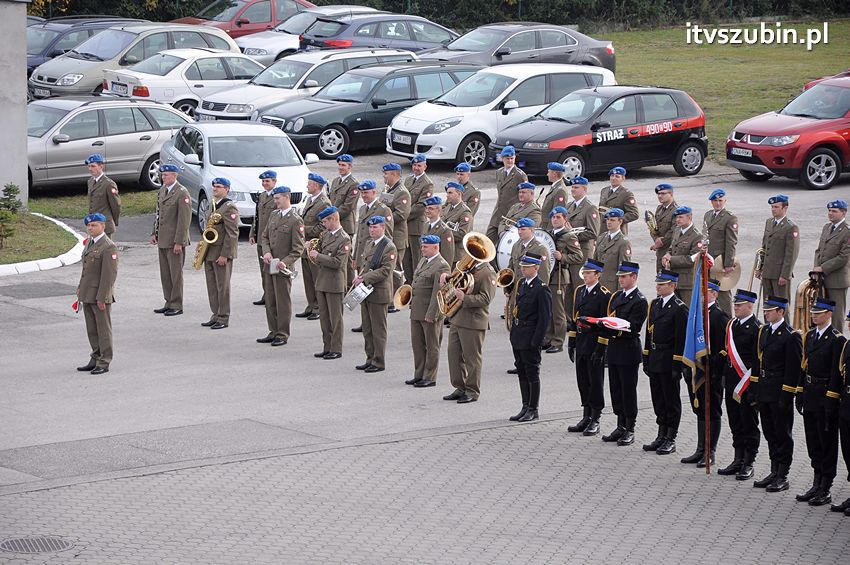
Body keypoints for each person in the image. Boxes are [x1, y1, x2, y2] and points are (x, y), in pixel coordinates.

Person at [749, 296, 801, 493]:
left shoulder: (791, 335)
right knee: (770, 432)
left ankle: (783, 474)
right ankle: (773, 469)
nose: (766, 312)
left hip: (779, 392)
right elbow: (757, 362)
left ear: (781, 312)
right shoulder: (764, 331)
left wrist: (786, 396)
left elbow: (793, 369)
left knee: (782, 434)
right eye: (765, 310)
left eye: (770, 310)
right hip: (765, 390)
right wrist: (754, 390)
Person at [797, 298, 845, 505]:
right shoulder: (810, 336)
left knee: (827, 443)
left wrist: (831, 399)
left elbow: (837, 373)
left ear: (829, 314)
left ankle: (826, 485)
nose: (814, 315)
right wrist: (800, 391)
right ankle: (816, 481)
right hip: (810, 394)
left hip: (825, 395)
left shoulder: (837, 340)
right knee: (812, 441)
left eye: (818, 313)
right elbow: (804, 365)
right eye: (813, 313)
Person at [680, 279, 729, 468]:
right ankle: (701, 448)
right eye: (701, 291)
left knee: (712, 410)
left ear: (715, 294)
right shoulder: (696, 315)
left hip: (713, 372)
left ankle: (711, 451)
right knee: (700, 409)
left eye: (706, 292)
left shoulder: (718, 317)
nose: (702, 295)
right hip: (697, 369)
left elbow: (725, 347)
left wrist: (714, 364)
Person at [717, 289, 762, 481]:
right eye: (735, 304)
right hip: (732, 381)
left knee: (749, 423)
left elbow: (758, 361)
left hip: (747, 384)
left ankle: (749, 461)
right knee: (735, 421)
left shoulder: (757, 328)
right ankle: (738, 458)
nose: (736, 307)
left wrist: (754, 389)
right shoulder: (731, 325)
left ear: (750, 306)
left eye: (740, 305)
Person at [642, 269, 688, 455]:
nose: (658, 287)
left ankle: (671, 437)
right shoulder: (654, 304)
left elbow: (680, 339)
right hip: (655, 358)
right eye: (657, 284)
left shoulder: (679, 308)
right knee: (658, 398)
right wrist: (646, 356)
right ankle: (661, 434)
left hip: (669, 360)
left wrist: (678, 365)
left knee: (671, 400)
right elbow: (649, 332)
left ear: (673, 286)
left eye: (662, 284)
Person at [601, 261, 647, 446]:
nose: (620, 279)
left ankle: (630, 427)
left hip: (628, 350)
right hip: (614, 349)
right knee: (616, 389)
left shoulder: (640, 300)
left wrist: (614, 326)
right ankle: (620, 425)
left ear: (634, 277)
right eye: (620, 276)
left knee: (628, 391)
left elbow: (634, 326)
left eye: (624, 276)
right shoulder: (617, 296)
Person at [567, 259, 611, 435]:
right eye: (584, 273)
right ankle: (586, 415)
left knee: (595, 382)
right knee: (583, 381)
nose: (585, 276)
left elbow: (605, 324)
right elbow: (575, 317)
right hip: (581, 342)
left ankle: (595, 417)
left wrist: (601, 349)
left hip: (594, 343)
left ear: (598, 275)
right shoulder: (579, 291)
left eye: (588, 273)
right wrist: (571, 340)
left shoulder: (604, 295)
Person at [443, 260, 497, 404]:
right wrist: (447, 279)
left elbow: (486, 298)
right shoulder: (466, 268)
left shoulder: (488, 272)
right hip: (457, 318)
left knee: (471, 358)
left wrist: (464, 298)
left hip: (474, 321)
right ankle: (460, 387)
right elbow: (455, 285)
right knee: (453, 355)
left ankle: (472, 391)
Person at [508, 253, 553, 422]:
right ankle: (525, 405)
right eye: (522, 267)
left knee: (532, 373)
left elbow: (545, 318)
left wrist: (537, 341)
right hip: (519, 334)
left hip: (531, 335)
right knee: (522, 372)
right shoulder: (521, 285)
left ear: (536, 268)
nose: (523, 270)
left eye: (526, 267)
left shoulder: (541, 289)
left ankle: (533, 409)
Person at [258, 186, 305, 346]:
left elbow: (298, 248)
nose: (275, 201)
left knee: (282, 301)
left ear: (286, 197)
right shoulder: (273, 215)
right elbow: (264, 237)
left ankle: (282, 333)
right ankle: (273, 330)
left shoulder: (295, 220)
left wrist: (285, 262)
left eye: (277, 198)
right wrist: (266, 252)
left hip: (283, 268)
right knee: (270, 299)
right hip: (270, 264)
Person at [405, 234, 451, 388]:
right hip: (417, 310)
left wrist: (432, 314)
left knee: (432, 346)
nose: (422, 249)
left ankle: (430, 377)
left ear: (436, 247)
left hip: (429, 312)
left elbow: (438, 293)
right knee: (417, 344)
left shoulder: (441, 265)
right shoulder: (424, 260)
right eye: (422, 246)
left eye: (425, 247)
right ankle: (419, 374)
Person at [353, 216, 397, 373]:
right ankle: (370, 358)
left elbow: (385, 271)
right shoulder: (368, 244)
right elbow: (365, 265)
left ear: (383, 228)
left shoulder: (388, 247)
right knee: (367, 327)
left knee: (378, 329)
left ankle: (379, 361)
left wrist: (364, 278)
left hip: (379, 293)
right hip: (366, 291)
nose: (372, 230)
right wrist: (359, 277)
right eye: (370, 228)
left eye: (375, 227)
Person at [76, 213, 118, 375]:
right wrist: (80, 287)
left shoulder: (108, 246)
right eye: (89, 225)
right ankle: (95, 356)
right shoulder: (90, 243)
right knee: (92, 329)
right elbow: (86, 270)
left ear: (103, 226)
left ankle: (104, 360)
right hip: (87, 293)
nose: (90, 228)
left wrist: (103, 296)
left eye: (94, 225)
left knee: (103, 329)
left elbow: (109, 276)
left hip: (99, 295)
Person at [150, 163, 191, 317]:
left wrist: (179, 242)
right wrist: (154, 233)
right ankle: (168, 301)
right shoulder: (162, 191)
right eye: (162, 174)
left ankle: (176, 304)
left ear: (175, 175)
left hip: (175, 240)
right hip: (163, 239)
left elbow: (184, 220)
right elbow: (158, 214)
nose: (163, 177)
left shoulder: (182, 193)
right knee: (165, 273)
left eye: (166, 174)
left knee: (175, 274)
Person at [310, 206, 350, 360]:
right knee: (325, 318)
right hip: (322, 281)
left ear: (334, 219)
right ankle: (327, 347)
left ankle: (336, 348)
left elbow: (338, 262)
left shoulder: (344, 238)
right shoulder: (325, 234)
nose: (324, 224)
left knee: (336, 319)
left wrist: (318, 256)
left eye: (326, 221)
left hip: (335, 283)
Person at [543, 207, 584, 354]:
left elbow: (579, 256)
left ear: (565, 220)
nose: (555, 219)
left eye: (558, 217)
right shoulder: (547, 235)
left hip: (559, 277)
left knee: (558, 311)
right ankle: (548, 338)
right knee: (548, 310)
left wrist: (563, 257)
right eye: (553, 217)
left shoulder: (569, 236)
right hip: (548, 275)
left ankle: (558, 341)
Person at [201, 178, 239, 330]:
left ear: (227, 189)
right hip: (210, 251)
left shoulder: (229, 207)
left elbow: (232, 234)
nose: (214, 189)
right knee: (212, 285)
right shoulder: (213, 203)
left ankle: (223, 317)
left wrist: (225, 255)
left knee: (222, 286)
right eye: (214, 186)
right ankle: (215, 314)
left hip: (221, 253)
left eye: (218, 187)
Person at [755, 194, 800, 319]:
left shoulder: (790, 227)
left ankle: (784, 332)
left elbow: (791, 254)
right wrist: (760, 267)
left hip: (780, 273)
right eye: (772, 207)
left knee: (781, 305)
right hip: (767, 272)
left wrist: (785, 275)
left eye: (776, 207)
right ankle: (769, 330)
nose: (773, 209)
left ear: (785, 208)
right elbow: (764, 248)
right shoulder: (769, 222)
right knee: (768, 304)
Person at [296, 172, 331, 320]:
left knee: (316, 278)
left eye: (309, 184)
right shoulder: (311, 200)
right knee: (308, 278)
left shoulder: (324, 203)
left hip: (315, 245)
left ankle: (319, 307)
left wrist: (304, 230)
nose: (307, 186)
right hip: (306, 245)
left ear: (316, 186)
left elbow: (324, 227)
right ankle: (311, 305)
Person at [826, 310, 850, 514]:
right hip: (846, 404)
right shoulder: (848, 346)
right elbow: (839, 375)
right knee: (848, 451)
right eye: (849, 321)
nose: (849, 325)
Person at [813, 200, 850, 331]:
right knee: (822, 312)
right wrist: (816, 269)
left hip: (837, 280)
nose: (830, 213)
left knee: (836, 315)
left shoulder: (847, 232)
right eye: (829, 210)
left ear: (844, 212)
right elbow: (819, 251)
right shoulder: (826, 227)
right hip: (822, 278)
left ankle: (837, 343)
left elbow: (843, 257)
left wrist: (823, 268)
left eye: (834, 211)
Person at [702, 189, 738, 315]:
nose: (718, 203)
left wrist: (728, 263)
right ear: (711, 202)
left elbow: (731, 242)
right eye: (715, 201)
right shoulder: (708, 215)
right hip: (708, 259)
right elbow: (705, 236)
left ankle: (727, 319)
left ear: (725, 201)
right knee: (709, 290)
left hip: (720, 261)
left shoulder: (730, 218)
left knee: (723, 292)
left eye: (720, 201)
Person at [486, 146, 528, 248]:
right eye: (507, 158)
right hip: (497, 214)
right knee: (487, 242)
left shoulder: (520, 176)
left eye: (512, 158)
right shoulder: (499, 172)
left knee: (504, 246)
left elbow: (526, 197)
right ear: (502, 158)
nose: (510, 161)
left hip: (510, 216)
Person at [328, 154, 360, 283]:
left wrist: (331, 217)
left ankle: (348, 284)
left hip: (345, 225)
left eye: (343, 165)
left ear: (350, 166)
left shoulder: (354, 184)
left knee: (346, 258)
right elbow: (331, 201)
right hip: (332, 224)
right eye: (339, 165)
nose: (340, 167)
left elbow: (348, 207)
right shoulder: (336, 181)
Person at [402, 154, 435, 283]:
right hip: (405, 226)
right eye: (414, 165)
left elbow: (421, 206)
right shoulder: (408, 180)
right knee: (406, 258)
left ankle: (417, 283)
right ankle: (409, 282)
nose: (416, 168)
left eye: (419, 165)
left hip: (416, 226)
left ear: (425, 166)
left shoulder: (427, 184)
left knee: (416, 257)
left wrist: (403, 215)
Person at [248, 170, 278, 306]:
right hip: (261, 237)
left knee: (273, 269)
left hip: (273, 240)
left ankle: (274, 296)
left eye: (267, 181)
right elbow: (257, 216)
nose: (264, 183)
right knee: (264, 270)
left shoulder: (278, 197)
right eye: (263, 181)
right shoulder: (262, 196)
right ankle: (267, 294)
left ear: (274, 182)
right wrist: (252, 233)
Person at [662, 206, 703, 306]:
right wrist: (667, 254)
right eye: (677, 217)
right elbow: (672, 247)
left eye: (681, 217)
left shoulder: (697, 236)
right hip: (673, 278)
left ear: (690, 217)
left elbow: (692, 259)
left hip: (686, 282)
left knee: (687, 309)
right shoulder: (677, 230)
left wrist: (671, 259)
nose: (677, 220)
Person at [593, 208, 632, 293]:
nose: (609, 222)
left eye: (612, 220)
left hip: (611, 286)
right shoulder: (601, 238)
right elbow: (595, 261)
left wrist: (621, 291)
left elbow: (624, 270)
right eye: (608, 220)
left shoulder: (623, 242)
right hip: (598, 284)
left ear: (620, 221)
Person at [85, 154, 121, 238]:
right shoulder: (90, 181)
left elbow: (116, 205)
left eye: (93, 166)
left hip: (104, 226)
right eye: (89, 166)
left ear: (101, 166)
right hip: (93, 225)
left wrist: (113, 222)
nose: (90, 169)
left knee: (106, 250)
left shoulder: (108, 184)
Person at [440, 181, 472, 269]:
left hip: (455, 254)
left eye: (450, 193)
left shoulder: (465, 212)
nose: (447, 195)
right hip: (444, 250)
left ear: (458, 194)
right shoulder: (447, 207)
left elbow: (462, 234)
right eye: (447, 193)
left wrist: (442, 233)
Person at [598, 167, 639, 235]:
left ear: (623, 178)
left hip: (617, 231)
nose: (614, 178)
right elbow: (601, 209)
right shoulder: (604, 190)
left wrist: (618, 220)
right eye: (612, 176)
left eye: (617, 176)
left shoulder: (626, 194)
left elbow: (634, 214)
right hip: (602, 231)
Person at [649, 184, 678, 272]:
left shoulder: (676, 210)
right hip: (660, 251)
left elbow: (674, 230)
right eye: (658, 194)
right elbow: (653, 227)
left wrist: (661, 241)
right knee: (660, 277)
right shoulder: (659, 209)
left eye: (663, 194)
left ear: (671, 194)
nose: (660, 196)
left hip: (670, 250)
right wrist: (656, 239)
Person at [423, 196, 455, 265]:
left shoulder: (445, 230)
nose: (427, 211)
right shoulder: (425, 225)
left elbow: (447, 256)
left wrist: (444, 272)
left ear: (439, 210)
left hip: (437, 268)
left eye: (431, 209)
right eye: (426, 208)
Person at [539, 162, 568, 230]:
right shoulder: (555, 187)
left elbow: (557, 213)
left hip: (549, 227)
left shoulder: (560, 190)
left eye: (549, 172)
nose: (547, 174)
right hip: (545, 225)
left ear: (554, 174)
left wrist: (550, 231)